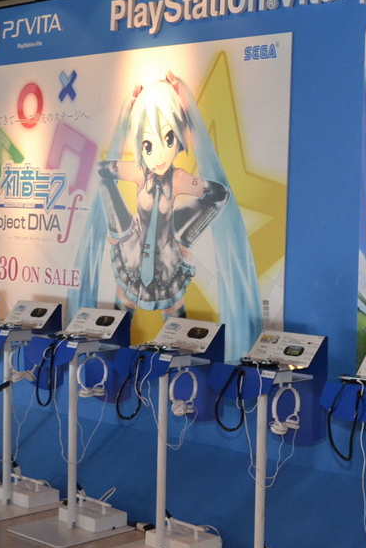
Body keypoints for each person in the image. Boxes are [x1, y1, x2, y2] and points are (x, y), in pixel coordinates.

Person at [69, 72, 263, 357]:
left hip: (167, 265)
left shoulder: (179, 178)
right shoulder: (137, 171)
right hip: (132, 258)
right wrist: (119, 228)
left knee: (179, 342)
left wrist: (183, 232)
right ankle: (105, 371)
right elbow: (102, 171)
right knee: (115, 335)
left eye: (169, 138)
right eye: (148, 145)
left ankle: (184, 382)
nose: (158, 155)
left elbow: (219, 195)